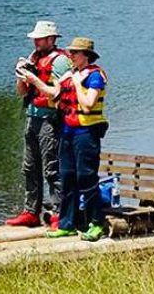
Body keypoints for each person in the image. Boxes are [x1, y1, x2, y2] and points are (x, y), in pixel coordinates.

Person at [7, 21, 72, 229]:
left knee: (51, 168)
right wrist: (21, 76)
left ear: (51, 39)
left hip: (50, 120)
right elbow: (23, 92)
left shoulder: (60, 61)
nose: (36, 41)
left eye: (40, 38)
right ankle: (31, 212)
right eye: (35, 38)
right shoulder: (34, 58)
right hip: (32, 117)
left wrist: (34, 79)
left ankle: (59, 212)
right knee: (29, 167)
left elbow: (57, 92)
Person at [48, 38, 109, 242]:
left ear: (86, 55)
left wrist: (75, 83)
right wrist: (32, 78)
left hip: (86, 133)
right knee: (67, 178)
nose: (71, 56)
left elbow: (89, 103)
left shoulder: (94, 76)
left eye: (75, 53)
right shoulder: (71, 74)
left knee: (86, 178)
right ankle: (67, 224)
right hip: (67, 132)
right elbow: (53, 94)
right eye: (71, 52)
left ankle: (96, 223)